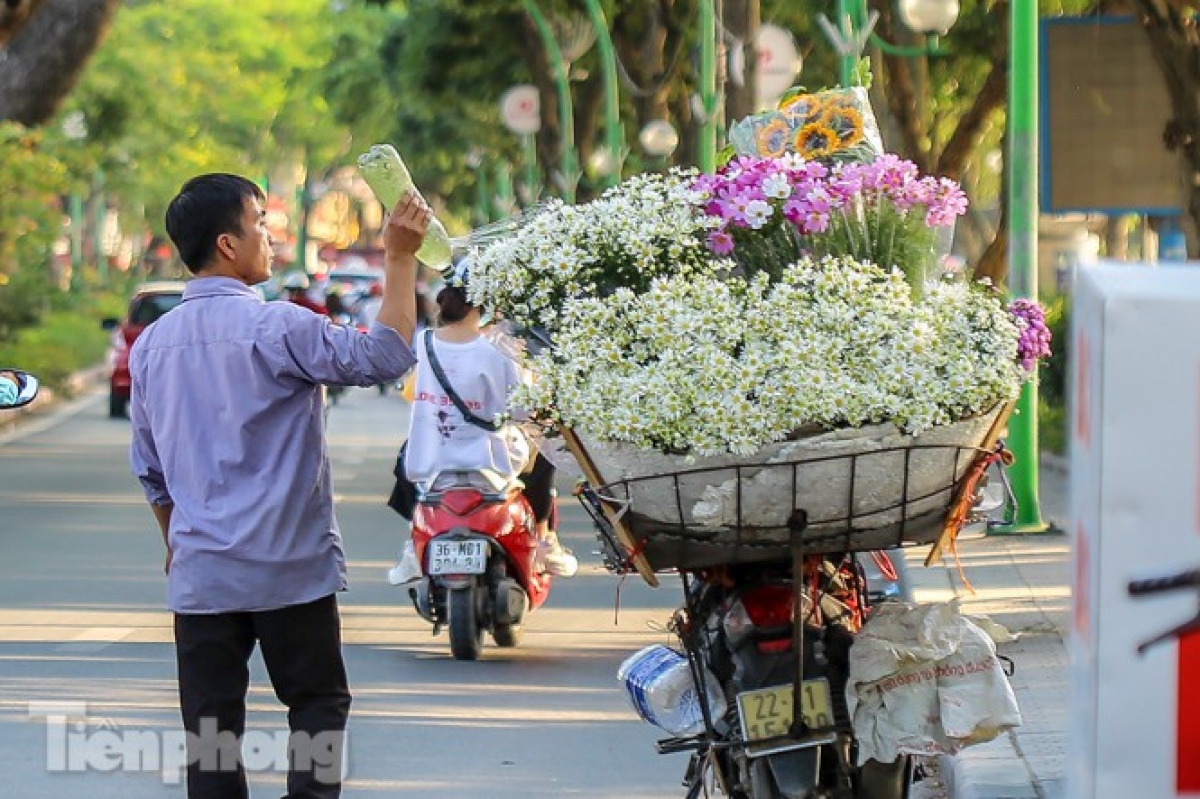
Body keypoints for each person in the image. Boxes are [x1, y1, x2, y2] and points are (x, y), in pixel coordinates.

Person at [128, 172, 431, 799]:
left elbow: (152, 472)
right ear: (228, 244)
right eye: (260, 221)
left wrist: (177, 545)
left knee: (211, 736)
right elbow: (386, 356)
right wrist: (400, 258)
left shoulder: (151, 346)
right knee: (316, 708)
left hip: (203, 574)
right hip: (288, 568)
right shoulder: (281, 328)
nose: (271, 235)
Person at [387, 259, 577, 582]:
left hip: (433, 458)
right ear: (485, 302)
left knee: (406, 453)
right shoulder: (501, 349)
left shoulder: (424, 343)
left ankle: (411, 545)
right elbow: (522, 409)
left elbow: (412, 393)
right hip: (492, 458)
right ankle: (546, 540)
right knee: (543, 450)